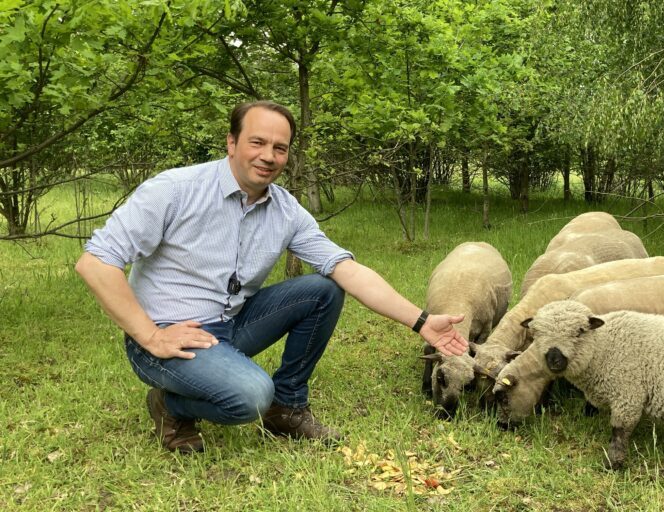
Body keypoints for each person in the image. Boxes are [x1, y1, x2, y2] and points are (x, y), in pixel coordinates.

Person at [75, 100, 468, 454]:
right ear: (231, 142)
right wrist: (151, 336)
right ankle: (168, 404)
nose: (268, 156)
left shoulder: (286, 210)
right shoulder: (175, 191)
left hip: (229, 325)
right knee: (250, 396)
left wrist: (421, 321)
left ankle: (287, 408)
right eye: (257, 142)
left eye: (279, 148)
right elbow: (96, 262)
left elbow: (348, 269)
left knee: (323, 288)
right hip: (166, 335)